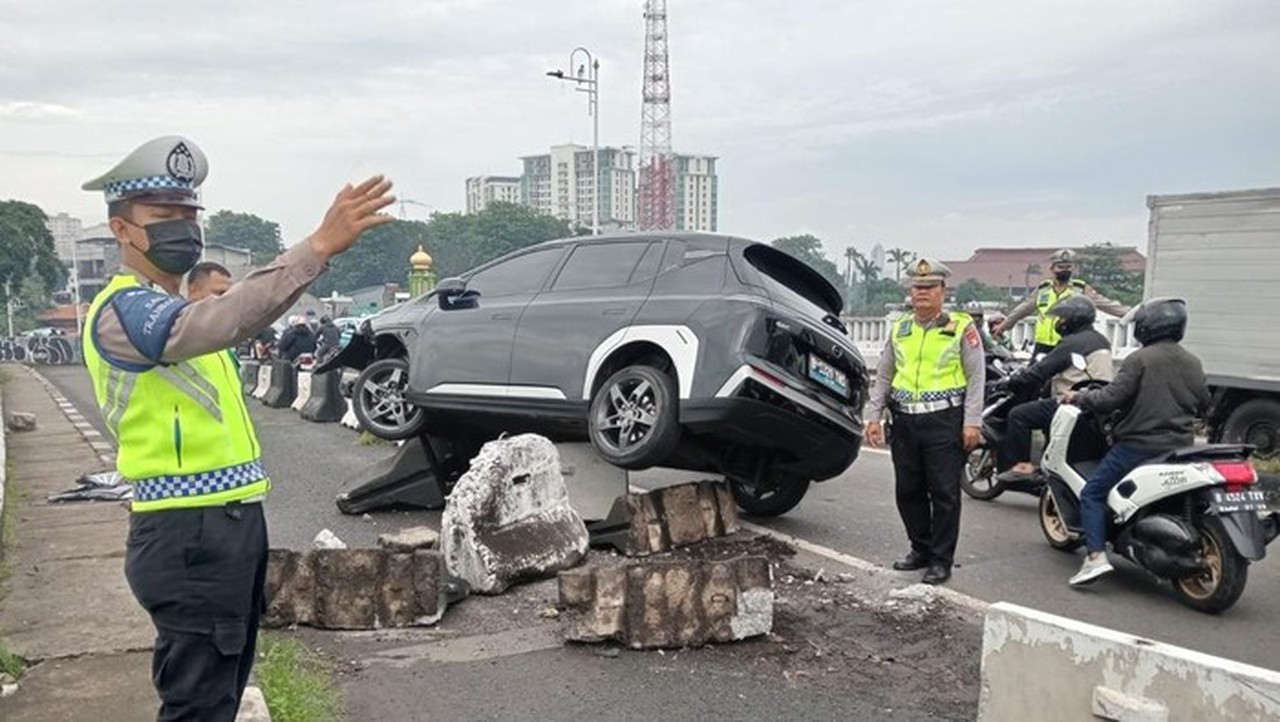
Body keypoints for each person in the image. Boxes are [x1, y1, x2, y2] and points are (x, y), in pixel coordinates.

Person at [79, 134, 394, 720]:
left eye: (189, 214)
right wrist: (316, 248)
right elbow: (224, 318)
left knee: (220, 692)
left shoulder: (177, 309)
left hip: (226, 522)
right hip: (186, 530)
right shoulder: (126, 309)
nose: (183, 227)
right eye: (163, 216)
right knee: (198, 702)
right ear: (122, 230)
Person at [1061, 298, 1210, 586]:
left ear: (1147, 326)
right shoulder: (1193, 361)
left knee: (1092, 493)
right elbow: (1204, 403)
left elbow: (1110, 399)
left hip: (1138, 447)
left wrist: (1080, 396)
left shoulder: (1139, 359)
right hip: (1180, 447)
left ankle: (1095, 557)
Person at [865, 258, 985, 585]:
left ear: (943, 290)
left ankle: (941, 560)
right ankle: (920, 548)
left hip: (944, 419)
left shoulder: (960, 327)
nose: (922, 292)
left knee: (944, 493)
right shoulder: (901, 328)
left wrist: (972, 421)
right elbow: (884, 375)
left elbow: (976, 377)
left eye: (930, 287)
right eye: (917, 287)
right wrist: (873, 415)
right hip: (905, 420)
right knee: (908, 489)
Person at [995, 296, 1113, 483]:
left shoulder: (1073, 343)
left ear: (1074, 318)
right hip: (1095, 402)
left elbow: (1041, 371)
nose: (1060, 321)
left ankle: (1022, 468)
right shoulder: (1101, 340)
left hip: (1071, 402)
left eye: (1062, 317)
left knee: (1019, 415)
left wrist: (1011, 381)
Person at [992, 249, 1129, 356]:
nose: (1064, 270)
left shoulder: (1080, 289)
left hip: (1068, 344)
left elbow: (1106, 305)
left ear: (1073, 268)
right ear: (1052, 268)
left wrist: (1131, 314)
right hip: (1043, 345)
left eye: (1068, 266)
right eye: (1060, 266)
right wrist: (1004, 326)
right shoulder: (1043, 289)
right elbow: (1022, 310)